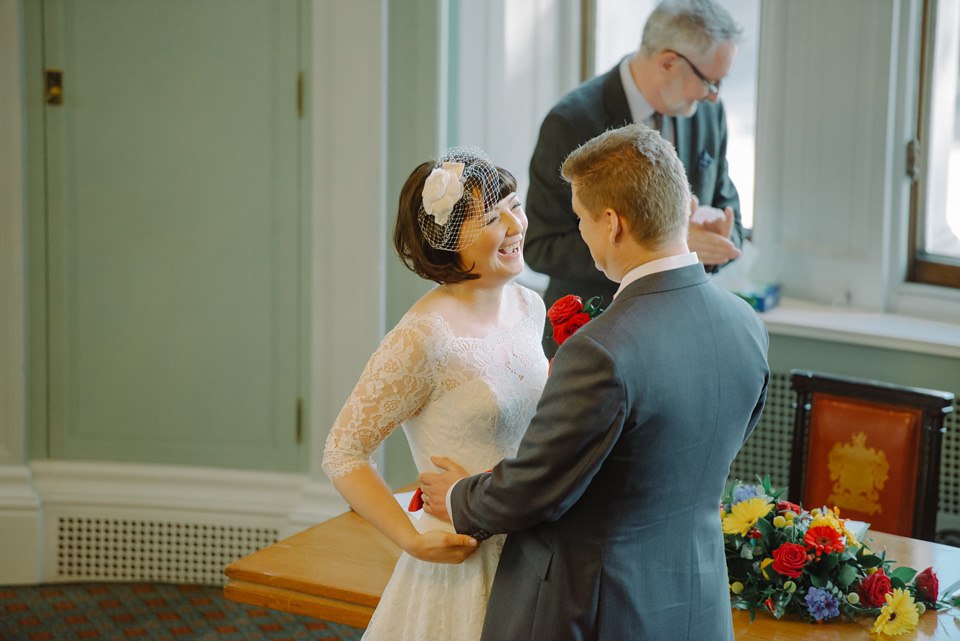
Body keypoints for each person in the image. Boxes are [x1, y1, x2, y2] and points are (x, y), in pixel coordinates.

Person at [419, 123, 769, 641]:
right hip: (698, 598)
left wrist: (456, 498)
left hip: (599, 607)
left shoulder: (602, 351)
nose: (580, 233)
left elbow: (537, 489)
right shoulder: (746, 326)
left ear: (612, 223)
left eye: (580, 218)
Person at [321, 147, 549, 641]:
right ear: (448, 244)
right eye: (493, 216)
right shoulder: (424, 336)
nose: (516, 224)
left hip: (536, 549)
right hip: (462, 561)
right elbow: (343, 452)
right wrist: (408, 539)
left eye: (515, 204)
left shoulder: (531, 306)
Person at [525, 0, 744, 355]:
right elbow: (541, 246)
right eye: (710, 81)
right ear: (669, 62)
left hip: (680, 335)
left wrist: (720, 236)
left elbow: (727, 205)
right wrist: (663, 247)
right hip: (594, 336)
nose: (714, 96)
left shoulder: (708, 115)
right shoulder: (571, 121)